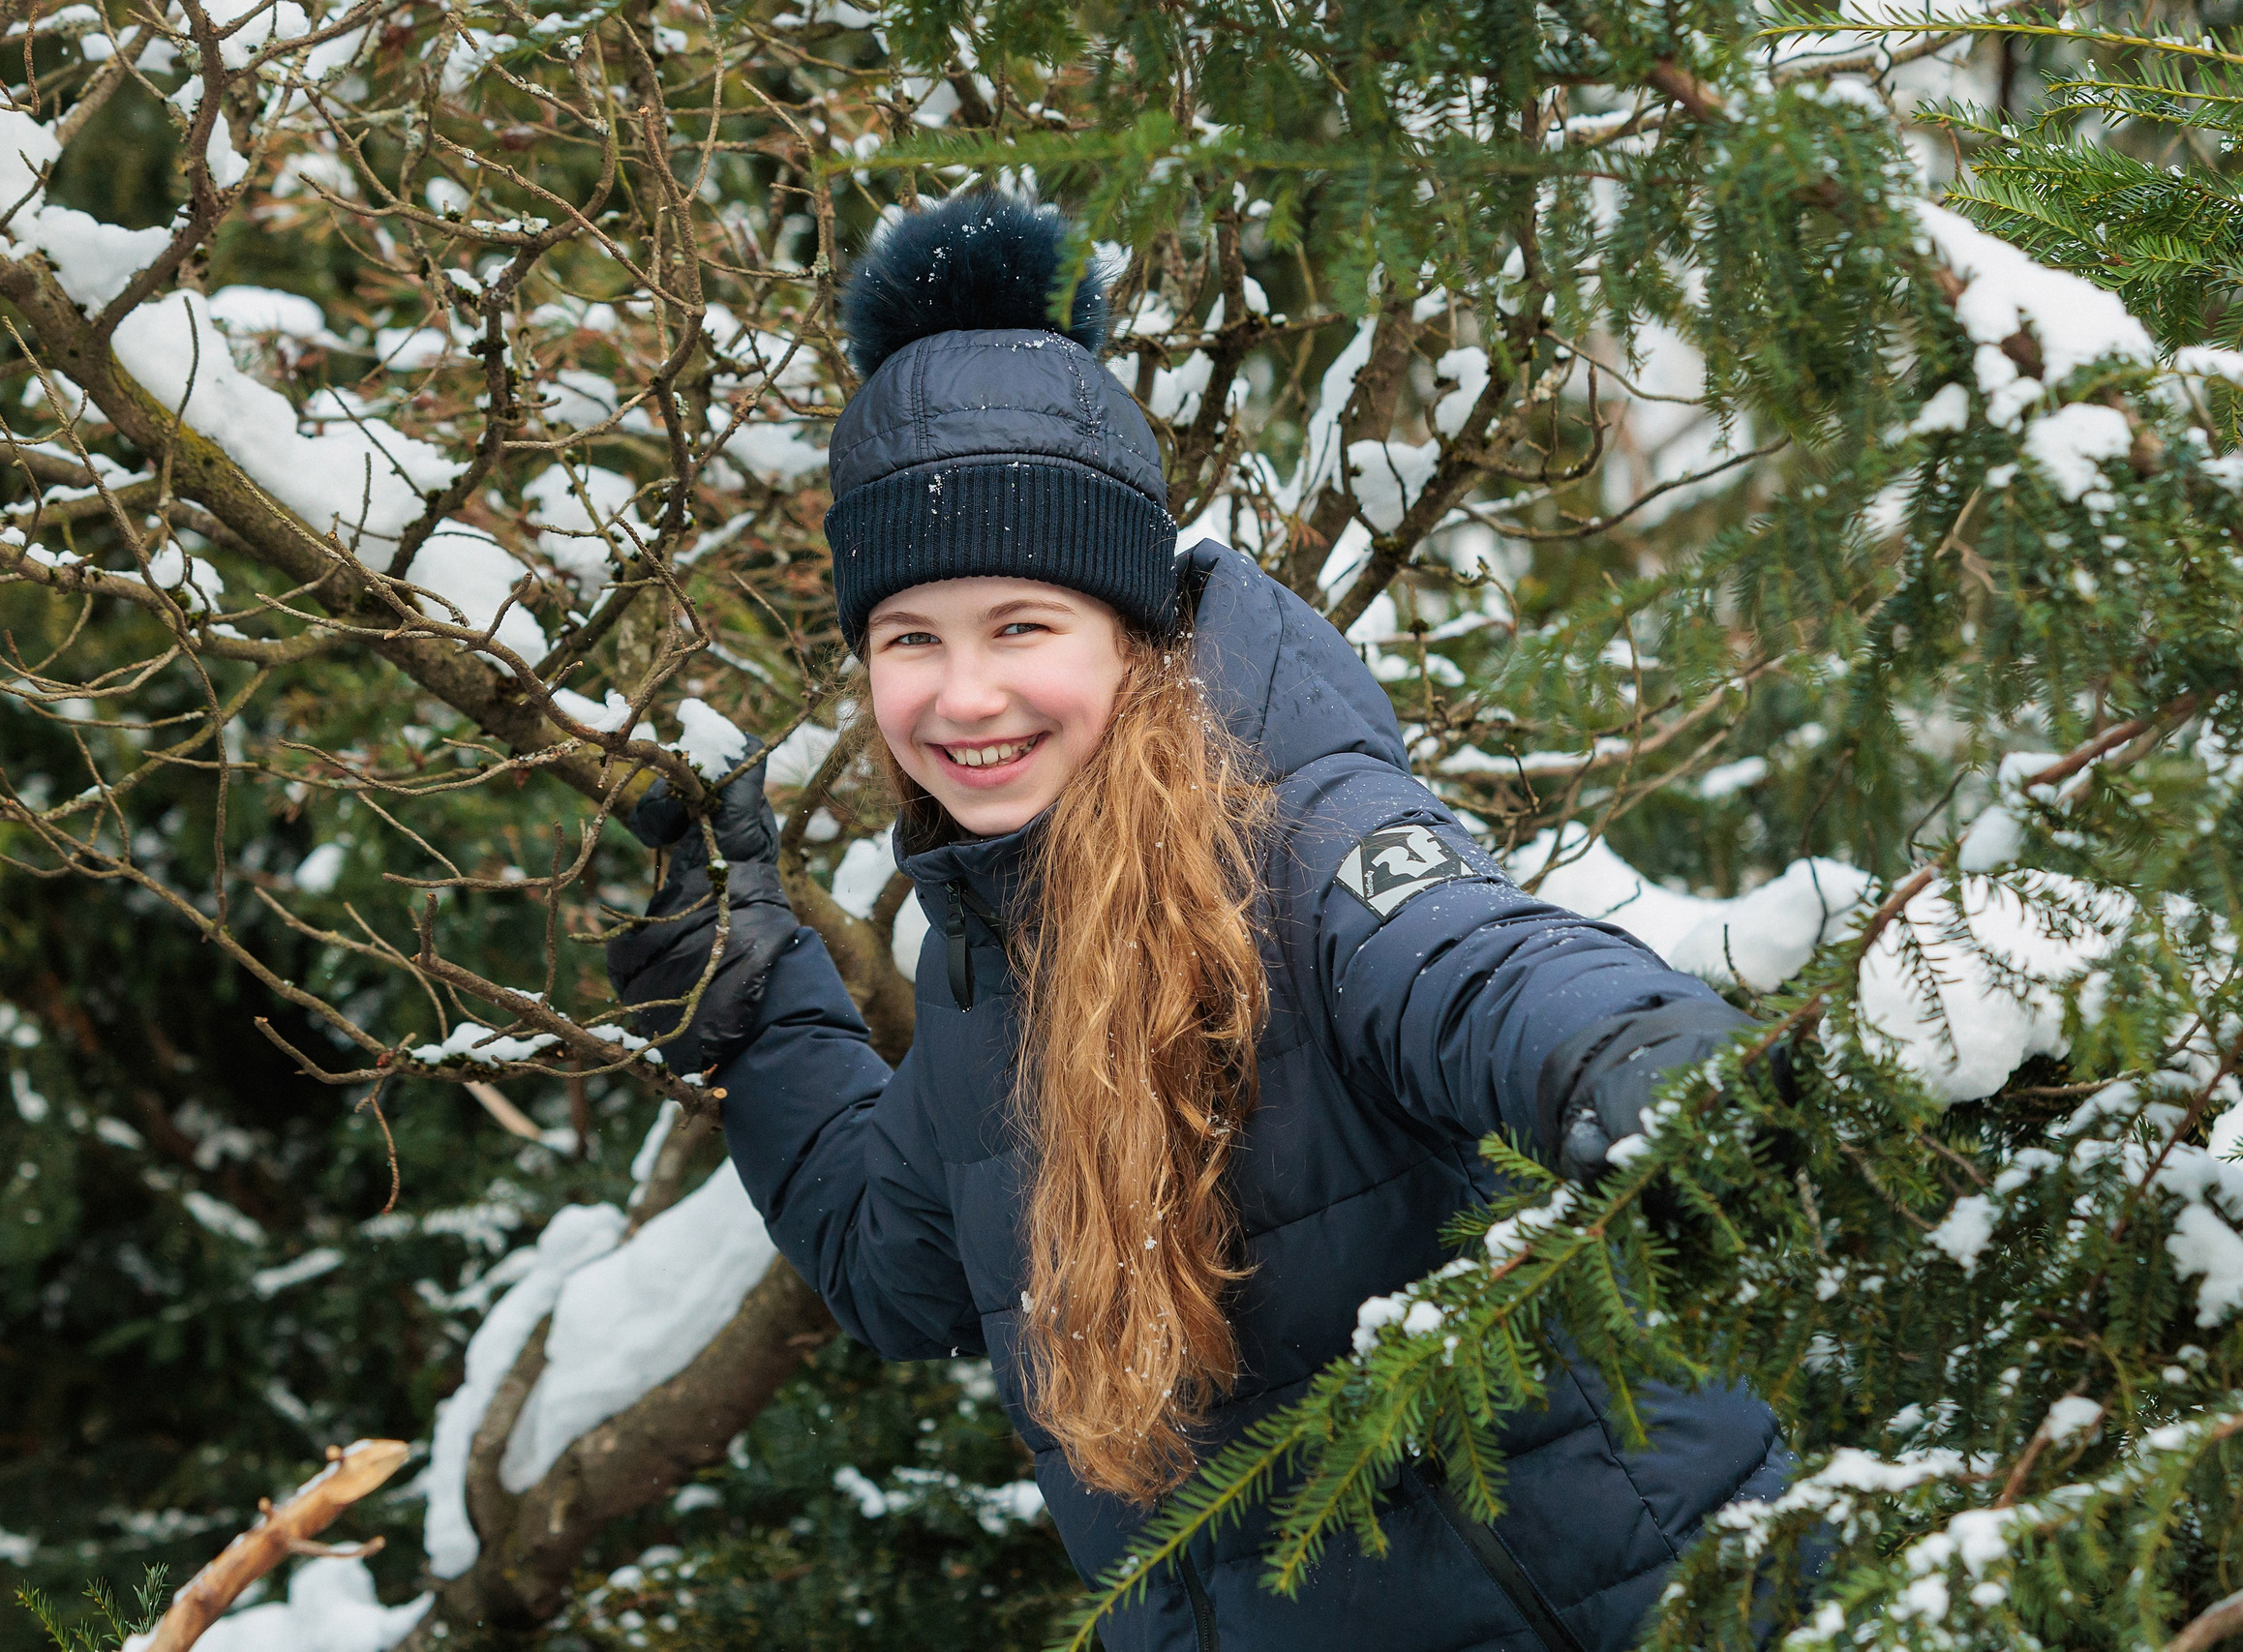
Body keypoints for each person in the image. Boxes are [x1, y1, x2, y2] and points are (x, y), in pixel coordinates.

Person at [608, 193, 1787, 1652]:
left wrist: (1635, 1059)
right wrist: (762, 1002)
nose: (962, 698)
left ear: (1133, 629)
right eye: (911, 639)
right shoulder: (987, 962)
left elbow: (1469, 961)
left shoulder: (1297, 821)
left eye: (1022, 626)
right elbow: (896, 1266)